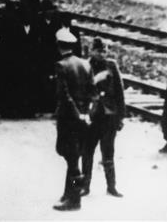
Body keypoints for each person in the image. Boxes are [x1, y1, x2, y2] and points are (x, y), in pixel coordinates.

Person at [52, 28, 96, 211]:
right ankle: (68, 192)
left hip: (68, 118)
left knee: (69, 156)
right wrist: (86, 113)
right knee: (74, 155)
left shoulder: (61, 65)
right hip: (84, 117)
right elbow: (93, 93)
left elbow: (64, 95)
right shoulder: (85, 64)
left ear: (58, 46)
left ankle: (74, 199)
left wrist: (76, 114)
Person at [81, 38, 125, 197]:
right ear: (91, 50)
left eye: (104, 51)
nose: (102, 54)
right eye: (99, 50)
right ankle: (84, 186)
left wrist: (121, 117)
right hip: (92, 116)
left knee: (108, 152)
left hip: (109, 116)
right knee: (87, 152)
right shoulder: (85, 66)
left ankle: (111, 186)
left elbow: (120, 92)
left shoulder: (112, 65)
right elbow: (80, 92)